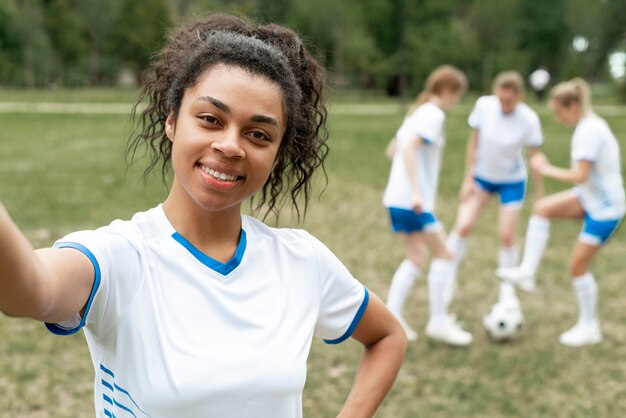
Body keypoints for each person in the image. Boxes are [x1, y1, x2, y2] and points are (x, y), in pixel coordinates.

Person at [0, 15, 407, 418]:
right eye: (211, 119)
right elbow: (30, 289)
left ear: (277, 154)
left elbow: (388, 336)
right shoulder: (120, 257)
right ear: (172, 121)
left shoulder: (303, 261)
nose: (231, 146)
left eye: (258, 134)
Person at [497, 78, 625, 347]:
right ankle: (527, 271)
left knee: (577, 265)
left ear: (573, 105)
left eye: (559, 111)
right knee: (542, 209)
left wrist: (544, 168)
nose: (557, 117)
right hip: (589, 198)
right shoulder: (587, 126)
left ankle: (589, 327)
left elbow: (580, 175)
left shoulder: (590, 131)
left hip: (605, 208)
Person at [383, 65, 472, 346]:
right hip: (412, 202)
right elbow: (407, 148)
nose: (456, 101)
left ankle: (393, 317)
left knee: (417, 258)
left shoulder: (417, 112)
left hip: (396, 199)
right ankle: (438, 321)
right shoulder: (433, 114)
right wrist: (417, 191)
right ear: (447, 91)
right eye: (457, 95)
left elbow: (392, 150)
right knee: (444, 254)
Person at [446, 71, 544, 311]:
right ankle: (446, 278)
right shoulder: (484, 106)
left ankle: (507, 292)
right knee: (463, 226)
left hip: (512, 181)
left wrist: (540, 194)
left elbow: (535, 158)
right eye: (500, 98)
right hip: (481, 177)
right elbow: (474, 143)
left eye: (509, 100)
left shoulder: (529, 119)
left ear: (519, 96)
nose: (504, 104)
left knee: (506, 235)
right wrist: (467, 179)